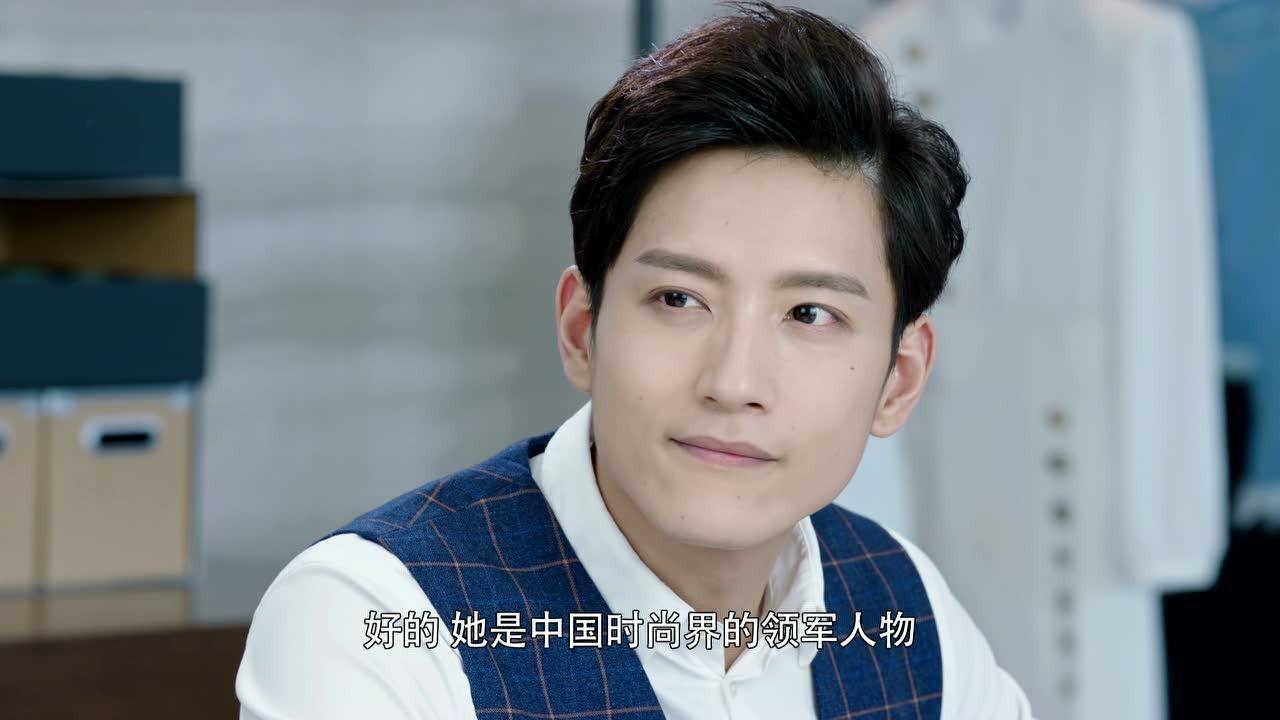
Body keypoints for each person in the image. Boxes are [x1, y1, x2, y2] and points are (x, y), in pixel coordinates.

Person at [236, 2, 1035, 718]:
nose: (733, 383)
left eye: (809, 314)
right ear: (582, 328)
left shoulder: (910, 617)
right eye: (679, 299)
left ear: (899, 380)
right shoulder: (375, 620)